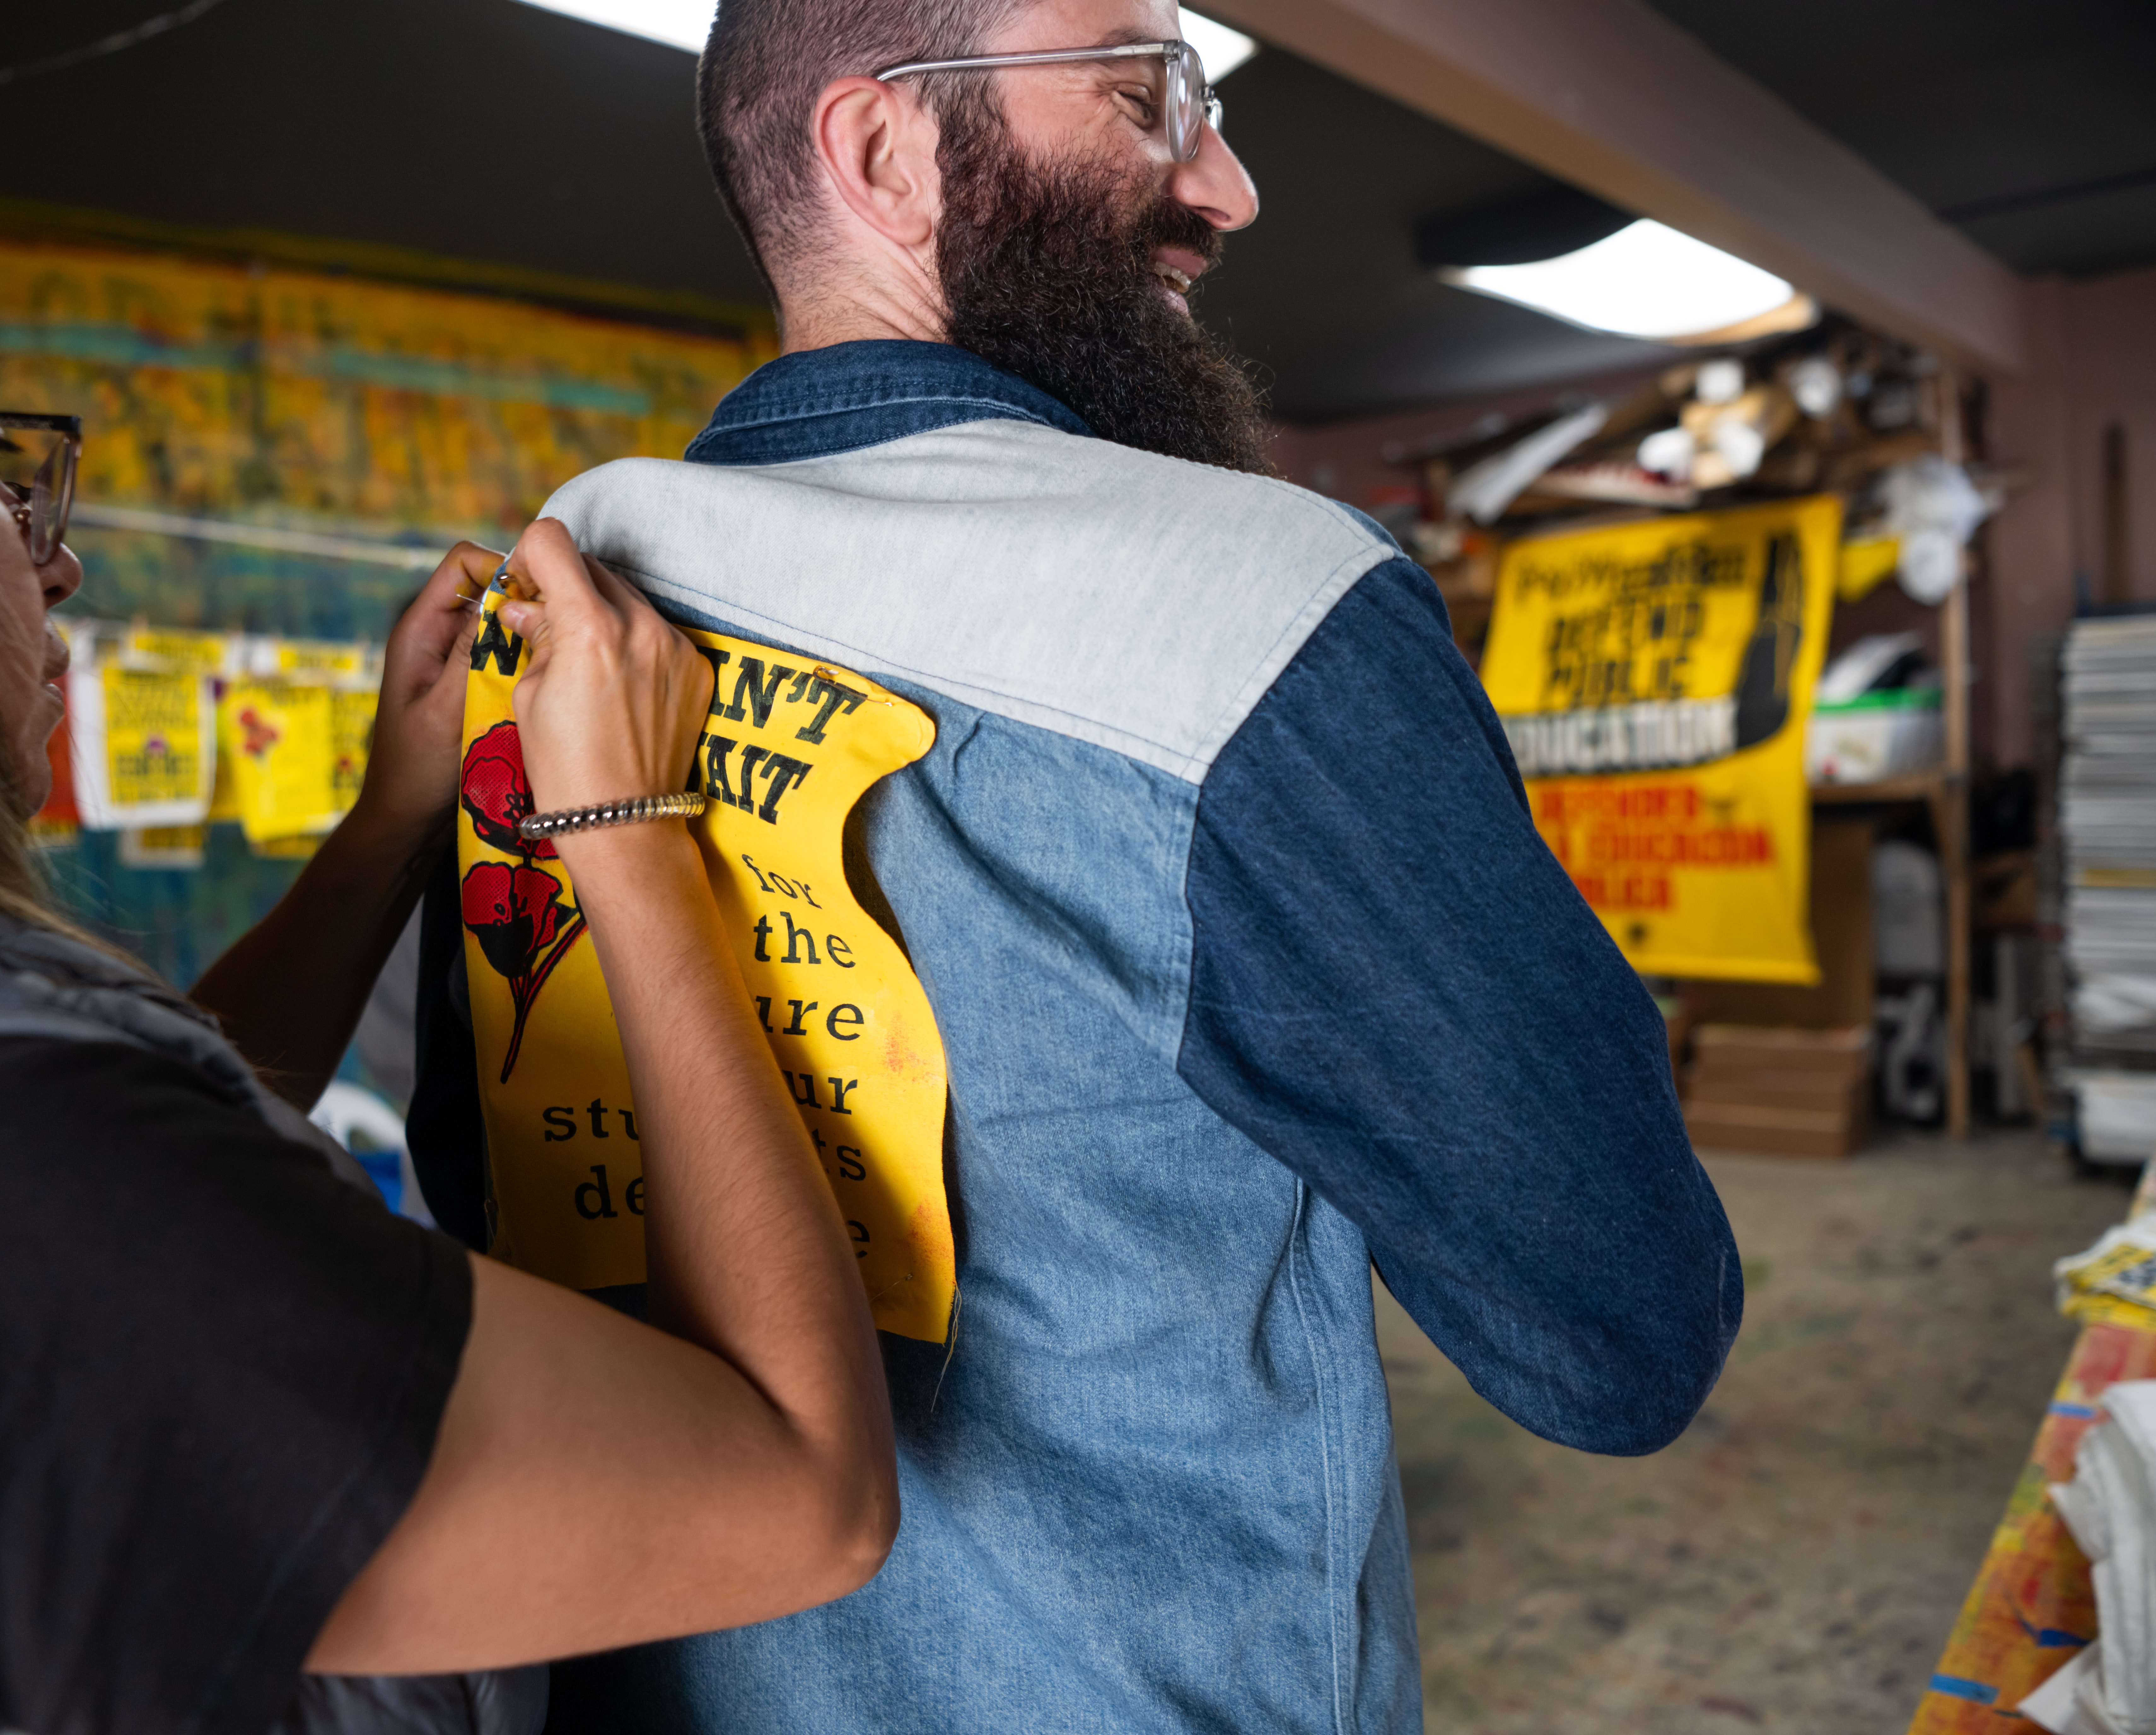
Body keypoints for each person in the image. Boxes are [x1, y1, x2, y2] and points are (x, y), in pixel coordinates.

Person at [406, 0, 1744, 1729]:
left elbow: (485, 1191)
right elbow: (1617, 1330)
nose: (1231, 186)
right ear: (884, 154)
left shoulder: (562, 612)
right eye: (1145, 99)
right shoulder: (1266, 610)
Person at [0, 54, 896, 1735]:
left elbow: (158, 1169)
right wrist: (628, 829)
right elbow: (798, 1490)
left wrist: (391, 824)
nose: (49, 548)